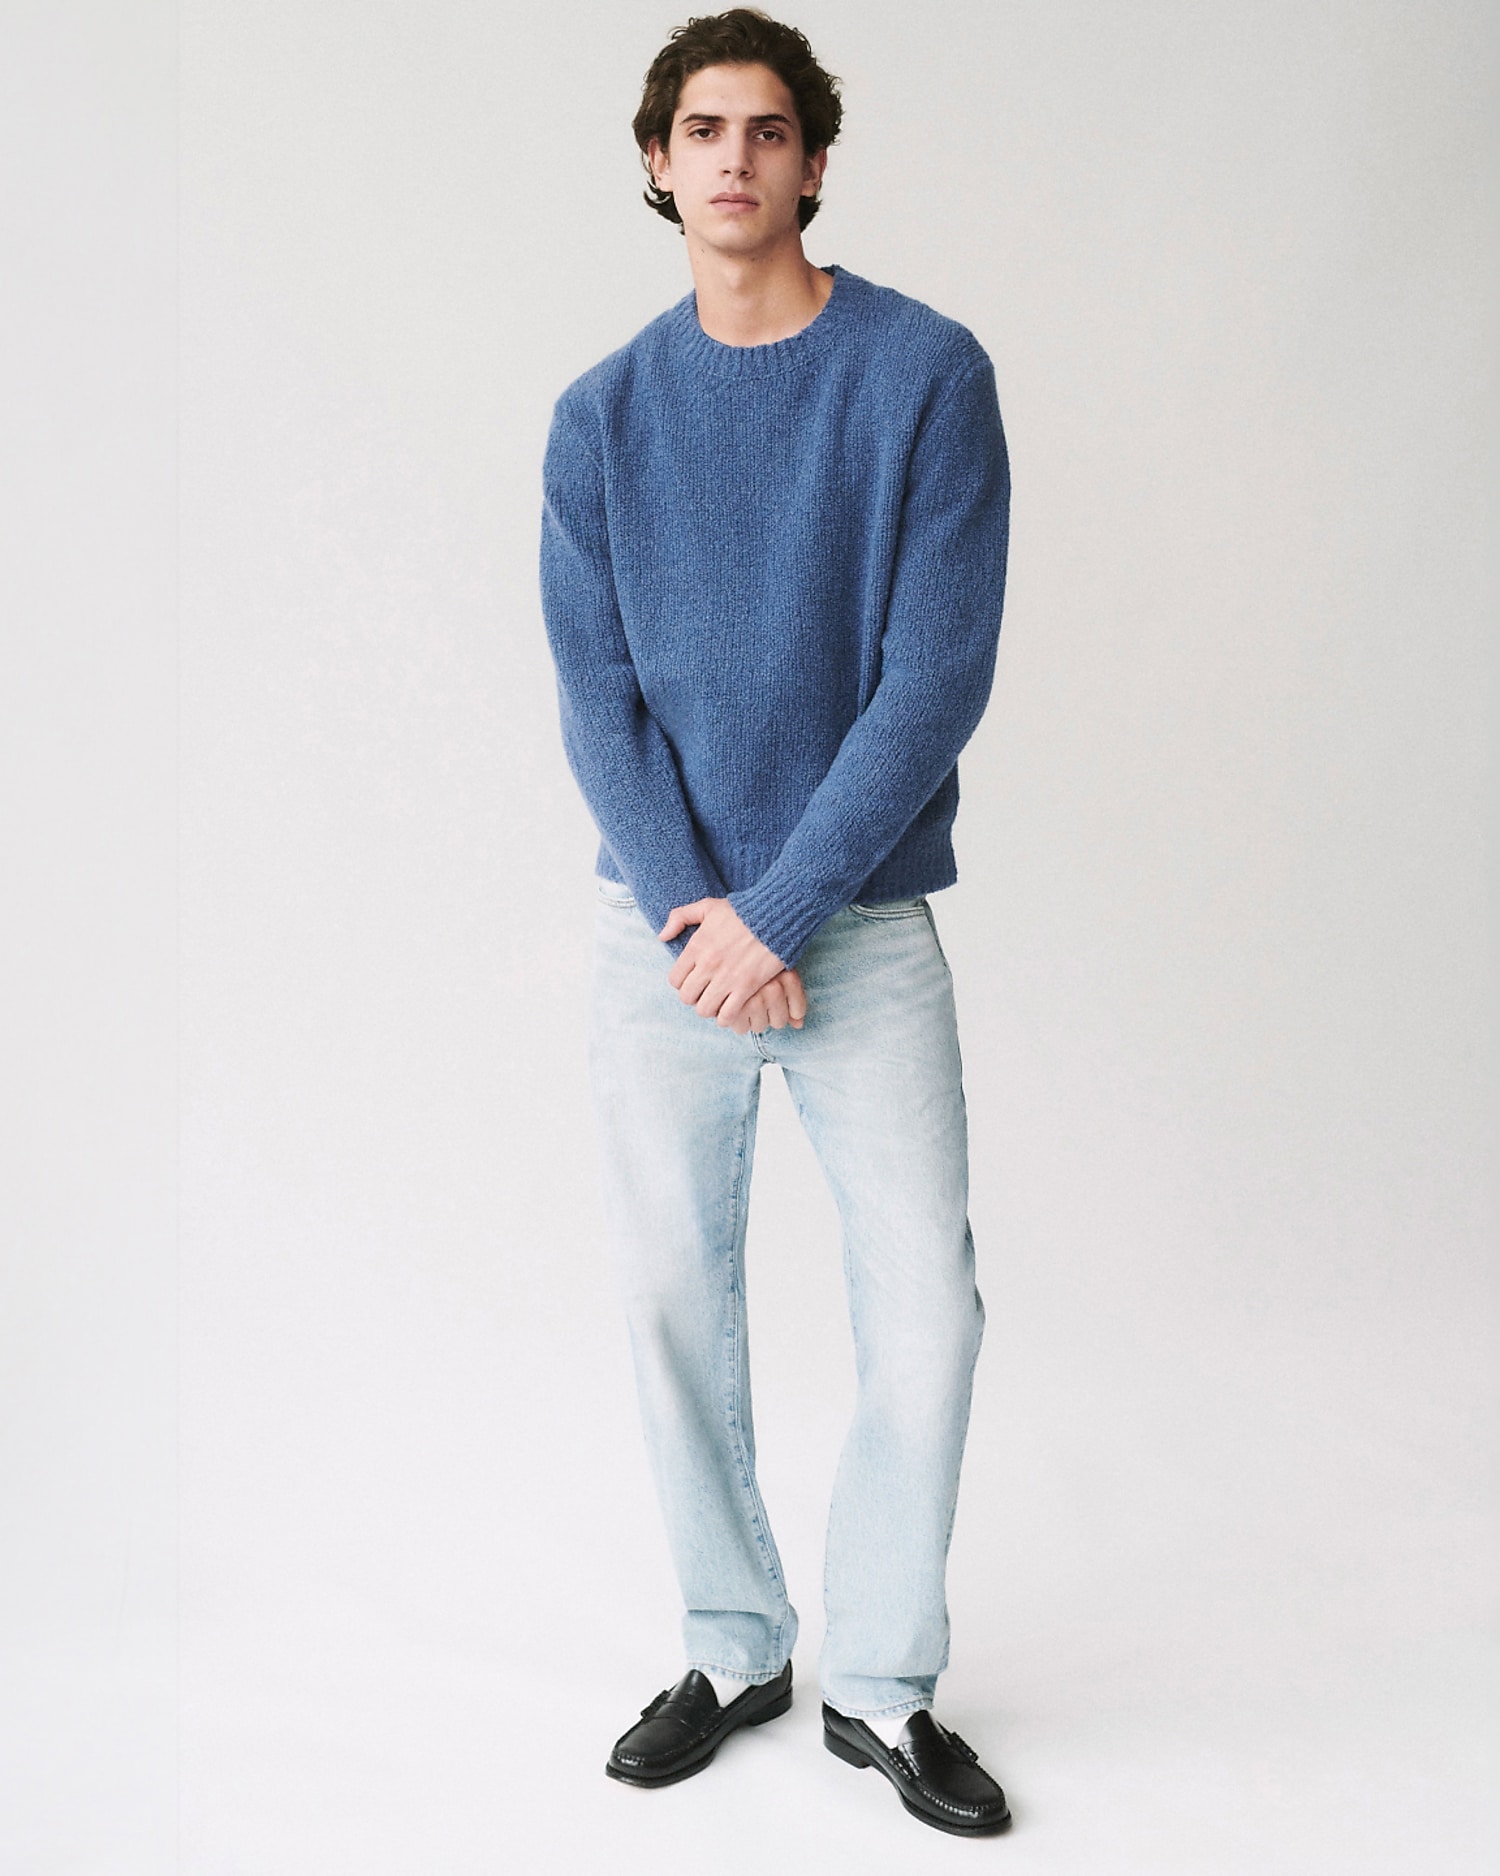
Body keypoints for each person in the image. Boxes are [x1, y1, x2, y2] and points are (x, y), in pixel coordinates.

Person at [539, 8, 1012, 1838]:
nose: (732, 156)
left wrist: (785, 910)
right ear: (657, 165)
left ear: (814, 161)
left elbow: (933, 677)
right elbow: (600, 704)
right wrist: (700, 919)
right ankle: (734, 1646)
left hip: (861, 927)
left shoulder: (924, 375)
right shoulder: (600, 419)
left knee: (927, 1318)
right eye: (700, 128)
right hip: (662, 941)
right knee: (673, 1298)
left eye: (766, 129)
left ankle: (882, 1685)